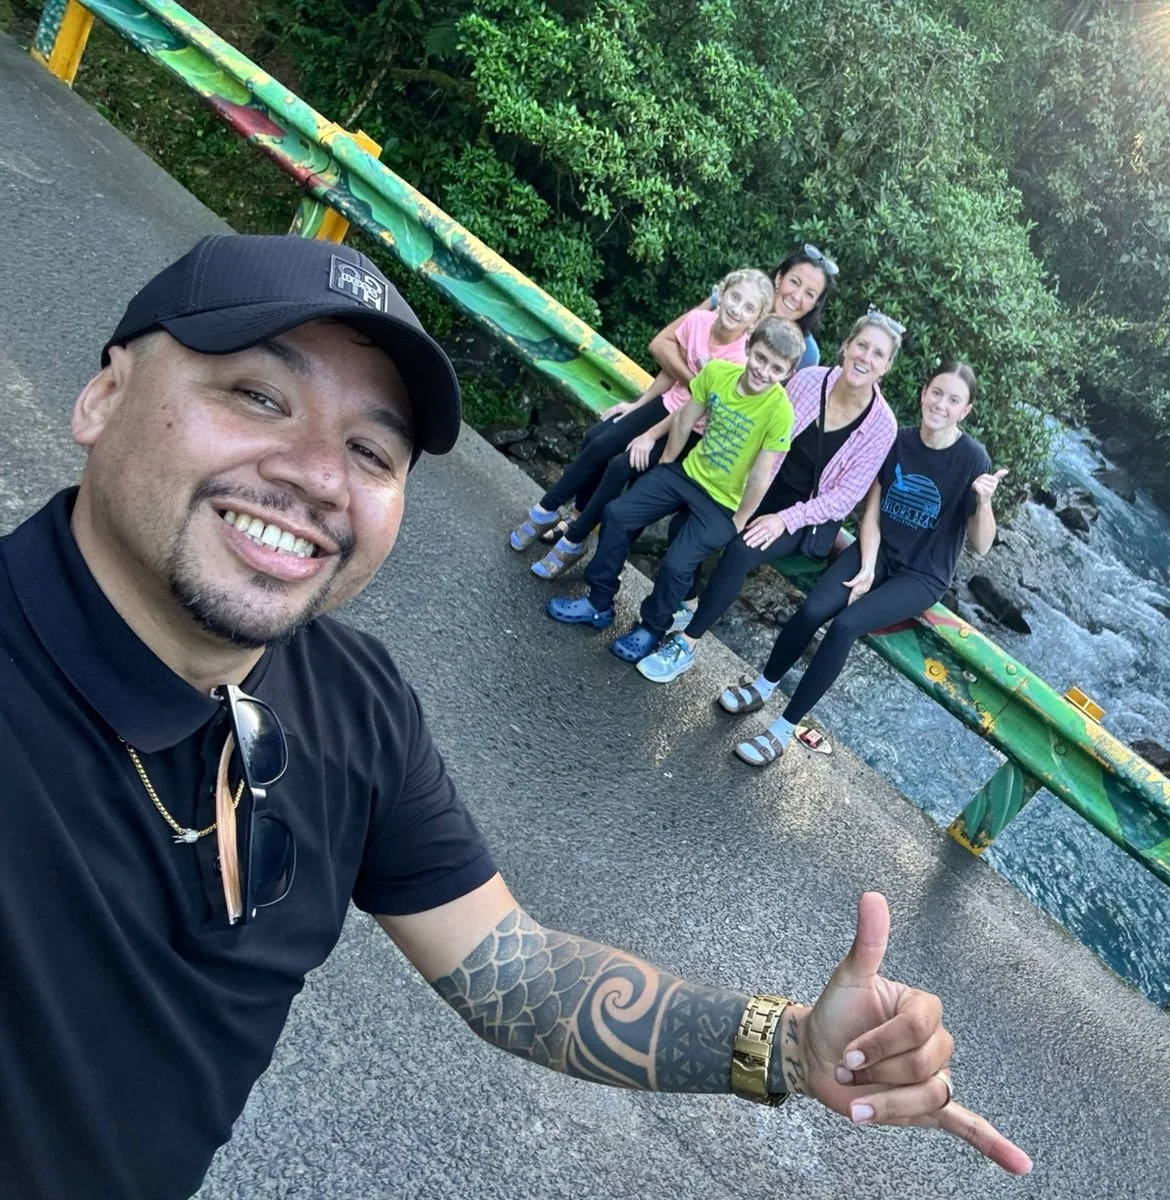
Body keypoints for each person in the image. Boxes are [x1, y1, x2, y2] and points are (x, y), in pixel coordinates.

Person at [0, 235, 1031, 1199]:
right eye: (260, 397)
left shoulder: (354, 706)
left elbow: (519, 976)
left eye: (372, 451)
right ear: (103, 394)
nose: (317, 474)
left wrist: (790, 1048)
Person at [722, 362, 1008, 767]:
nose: (941, 405)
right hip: (877, 550)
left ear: (966, 410)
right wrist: (869, 565)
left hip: (922, 575)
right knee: (813, 609)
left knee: (845, 625)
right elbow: (871, 512)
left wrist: (984, 502)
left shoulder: (972, 459)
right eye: (936, 393)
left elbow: (981, 545)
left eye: (953, 400)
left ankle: (782, 730)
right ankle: (762, 687)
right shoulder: (898, 439)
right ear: (923, 392)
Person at [636, 312, 901, 685]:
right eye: (862, 345)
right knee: (686, 521)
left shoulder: (882, 427)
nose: (865, 358)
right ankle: (691, 603)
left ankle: (688, 642)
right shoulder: (808, 380)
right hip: (760, 485)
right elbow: (761, 428)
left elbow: (843, 499)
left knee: (740, 550)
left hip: (805, 517)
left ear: (886, 367)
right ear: (846, 346)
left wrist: (783, 520)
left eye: (878, 354)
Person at [545, 317, 804, 663]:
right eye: (760, 358)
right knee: (617, 514)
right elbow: (684, 418)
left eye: (776, 369)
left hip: (723, 502)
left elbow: (761, 474)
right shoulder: (718, 373)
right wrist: (666, 464)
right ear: (748, 347)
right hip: (686, 473)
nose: (764, 371)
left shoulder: (780, 411)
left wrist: (740, 520)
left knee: (677, 563)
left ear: (788, 373)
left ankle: (652, 627)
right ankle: (599, 601)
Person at [508, 268, 773, 577]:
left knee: (621, 466)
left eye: (748, 308)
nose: (737, 309)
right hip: (666, 404)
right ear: (722, 293)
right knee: (601, 442)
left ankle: (574, 541)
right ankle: (545, 509)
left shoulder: (739, 360)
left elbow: (695, 410)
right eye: (735, 297)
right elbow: (671, 372)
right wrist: (638, 405)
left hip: (689, 429)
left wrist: (650, 436)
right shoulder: (698, 321)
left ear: (755, 321)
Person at [689, 243, 836, 372]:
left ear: (815, 304)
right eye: (794, 282)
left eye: (809, 294)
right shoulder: (734, 300)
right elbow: (677, 334)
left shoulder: (808, 354)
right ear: (779, 278)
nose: (796, 297)